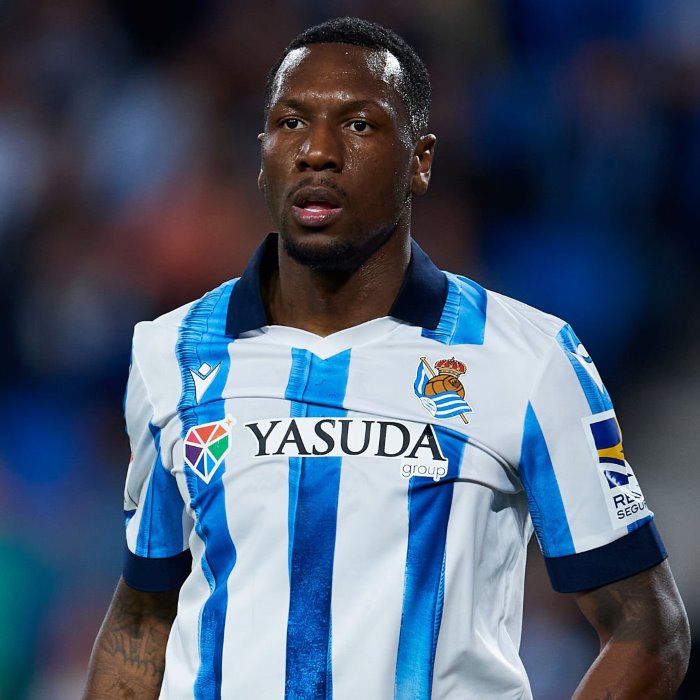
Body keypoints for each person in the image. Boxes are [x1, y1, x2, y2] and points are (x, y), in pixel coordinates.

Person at [84, 17, 690, 700]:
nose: (317, 151)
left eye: (358, 125)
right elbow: (144, 615)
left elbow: (649, 628)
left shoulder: (528, 358)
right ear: (262, 155)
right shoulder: (170, 353)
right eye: (290, 122)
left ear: (421, 161)